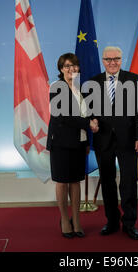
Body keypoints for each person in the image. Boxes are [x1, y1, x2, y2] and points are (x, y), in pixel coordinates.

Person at [90, 46, 138, 240]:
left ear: (121, 60)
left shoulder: (132, 79)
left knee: (129, 182)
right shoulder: (94, 82)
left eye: (116, 58)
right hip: (103, 140)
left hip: (129, 141)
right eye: (108, 59)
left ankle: (130, 224)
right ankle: (112, 222)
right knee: (107, 183)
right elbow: (89, 111)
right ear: (103, 61)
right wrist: (92, 121)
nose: (112, 62)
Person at [46, 53, 99, 238]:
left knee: (75, 181)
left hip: (78, 143)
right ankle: (64, 219)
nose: (71, 69)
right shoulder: (57, 87)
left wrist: (86, 140)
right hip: (60, 143)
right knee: (62, 182)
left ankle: (76, 220)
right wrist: (88, 124)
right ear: (61, 69)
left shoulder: (80, 90)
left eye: (74, 65)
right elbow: (64, 116)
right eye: (67, 66)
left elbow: (84, 116)